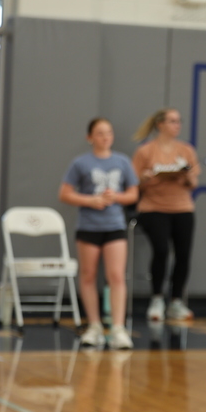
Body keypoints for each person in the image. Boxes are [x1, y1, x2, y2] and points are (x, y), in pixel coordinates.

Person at [59, 117, 139, 350]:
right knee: (88, 274)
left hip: (114, 226)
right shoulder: (80, 163)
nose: (105, 137)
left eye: (108, 133)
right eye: (100, 133)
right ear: (90, 137)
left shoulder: (122, 161)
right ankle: (93, 325)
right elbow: (65, 193)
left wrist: (116, 197)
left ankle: (118, 328)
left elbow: (133, 194)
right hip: (89, 226)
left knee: (116, 275)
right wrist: (91, 200)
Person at [131, 108, 200, 322]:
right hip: (153, 208)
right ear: (160, 124)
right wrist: (146, 178)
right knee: (161, 250)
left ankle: (176, 301)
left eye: (178, 121)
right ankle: (157, 298)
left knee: (183, 254)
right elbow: (134, 184)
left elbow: (193, 182)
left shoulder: (186, 150)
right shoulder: (145, 151)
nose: (177, 125)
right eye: (172, 121)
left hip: (182, 208)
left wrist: (185, 176)